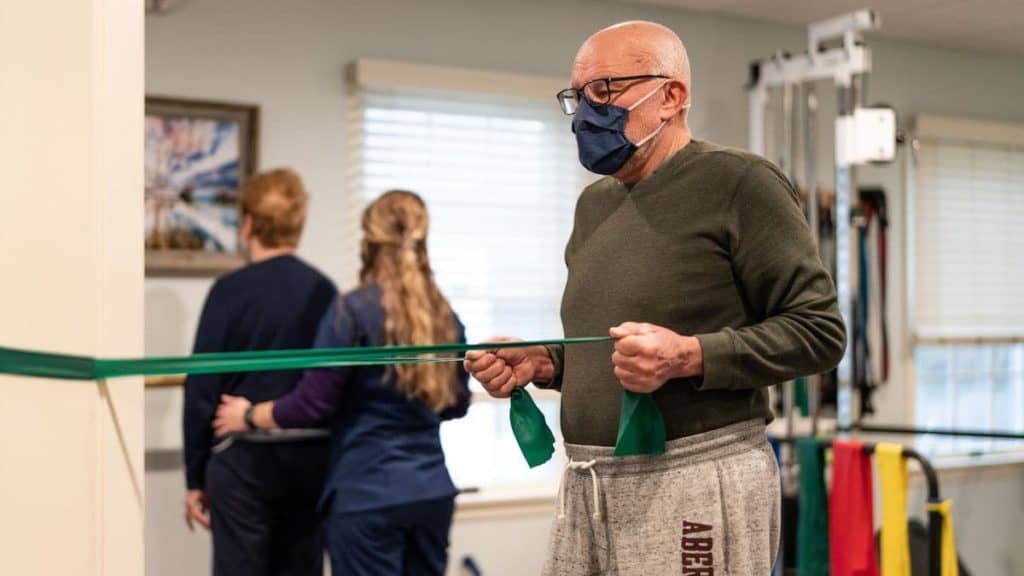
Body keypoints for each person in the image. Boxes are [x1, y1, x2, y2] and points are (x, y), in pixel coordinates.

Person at [464, 21, 846, 575]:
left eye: (604, 90)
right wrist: (546, 362)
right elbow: (619, 350)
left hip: (695, 475)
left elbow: (820, 333)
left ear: (671, 96)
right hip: (589, 482)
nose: (586, 112)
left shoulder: (741, 183)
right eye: (578, 96)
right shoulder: (593, 205)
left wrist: (688, 356)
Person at [213, 190, 472, 576]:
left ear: (367, 242)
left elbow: (312, 403)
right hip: (432, 492)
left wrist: (248, 415)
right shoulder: (444, 314)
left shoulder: (351, 311)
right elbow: (455, 403)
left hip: (367, 496)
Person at [182, 168, 336, 576]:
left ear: (248, 223)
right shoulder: (326, 291)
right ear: (298, 224)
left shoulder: (229, 291)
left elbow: (202, 386)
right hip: (312, 460)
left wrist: (194, 476)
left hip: (243, 462)